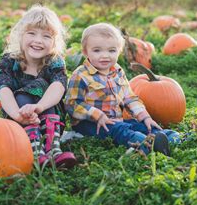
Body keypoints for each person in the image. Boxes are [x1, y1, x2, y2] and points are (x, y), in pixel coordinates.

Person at [65, 23, 182, 156]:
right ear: (86, 51)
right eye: (97, 50)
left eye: (111, 50)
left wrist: (145, 117)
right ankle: (144, 144)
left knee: (136, 125)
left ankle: (171, 137)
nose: (105, 56)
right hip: (90, 124)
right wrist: (98, 115)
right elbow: (72, 104)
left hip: (116, 120)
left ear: (119, 51)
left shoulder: (118, 71)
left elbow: (130, 98)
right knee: (120, 130)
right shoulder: (80, 75)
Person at [0, 4, 77, 169]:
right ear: (20, 36)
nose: (38, 40)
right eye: (31, 33)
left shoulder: (54, 62)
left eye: (46, 36)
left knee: (47, 93)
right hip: (17, 116)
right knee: (20, 96)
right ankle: (33, 150)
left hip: (47, 114)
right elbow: (3, 89)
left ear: (54, 42)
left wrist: (39, 106)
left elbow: (58, 86)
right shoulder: (9, 61)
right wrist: (17, 115)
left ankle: (53, 149)